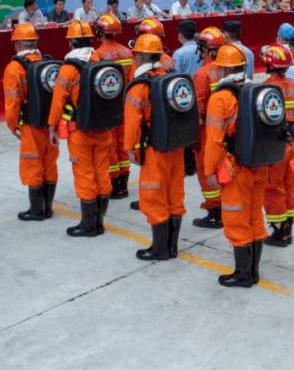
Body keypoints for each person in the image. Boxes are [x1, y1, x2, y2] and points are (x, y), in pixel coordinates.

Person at [203, 44, 268, 287]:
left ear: (225, 69)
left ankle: (243, 275)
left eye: (219, 68)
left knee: (236, 220)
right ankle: (253, 272)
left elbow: (214, 140)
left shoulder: (220, 97)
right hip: (259, 164)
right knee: (254, 219)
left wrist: (210, 171)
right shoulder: (255, 90)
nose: (217, 72)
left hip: (234, 169)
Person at [123, 34, 185, 260]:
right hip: (176, 147)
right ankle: (172, 247)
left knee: (153, 196)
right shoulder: (171, 79)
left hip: (153, 150)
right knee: (174, 196)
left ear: (139, 56)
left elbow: (131, 122)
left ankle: (159, 249)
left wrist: (129, 148)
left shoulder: (138, 86)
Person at [48, 22, 112, 237]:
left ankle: (88, 224)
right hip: (103, 129)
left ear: (71, 41)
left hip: (80, 131)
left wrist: (51, 127)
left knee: (84, 173)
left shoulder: (68, 69)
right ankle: (100, 221)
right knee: (102, 171)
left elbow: (58, 101)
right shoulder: (102, 62)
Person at [3, 24, 57, 221]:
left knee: (32, 164)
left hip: (30, 125)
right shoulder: (46, 64)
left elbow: (12, 101)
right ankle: (48, 208)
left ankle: (36, 210)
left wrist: (12, 125)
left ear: (17, 43)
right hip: (50, 124)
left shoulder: (14, 68)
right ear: (35, 42)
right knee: (50, 164)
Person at [262, 45, 294, 247]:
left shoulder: (267, 88)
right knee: (288, 188)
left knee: (272, 188)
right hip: (293, 146)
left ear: (269, 64)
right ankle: (288, 229)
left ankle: (279, 233)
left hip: (275, 148)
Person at [93, 14, 134, 199]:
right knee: (123, 144)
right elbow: (133, 81)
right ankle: (124, 183)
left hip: (108, 106)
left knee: (109, 146)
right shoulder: (127, 52)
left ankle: (115, 183)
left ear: (99, 32)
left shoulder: (98, 55)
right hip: (125, 105)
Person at [192, 27, 226, 229]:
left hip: (206, 133)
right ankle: (225, 205)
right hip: (226, 131)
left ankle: (215, 211)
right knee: (223, 168)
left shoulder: (202, 74)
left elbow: (196, 110)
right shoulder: (230, 68)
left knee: (207, 171)